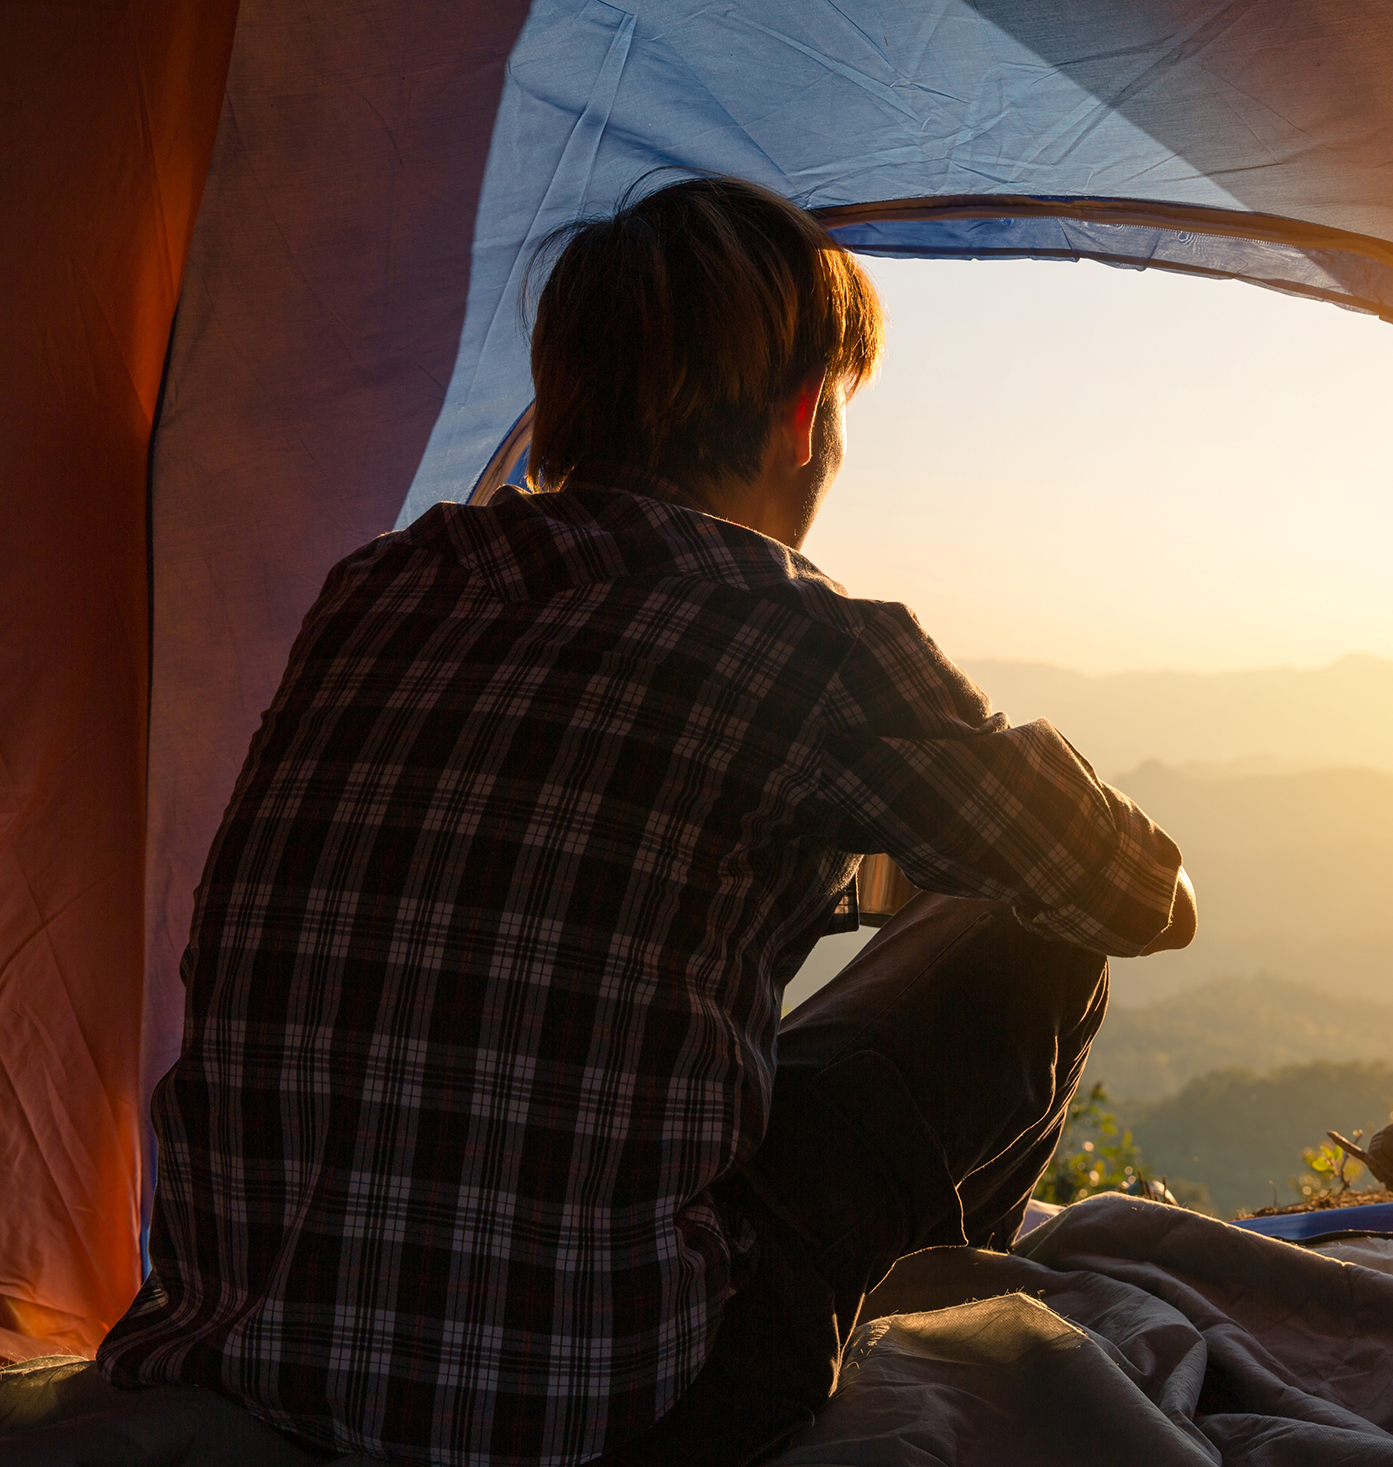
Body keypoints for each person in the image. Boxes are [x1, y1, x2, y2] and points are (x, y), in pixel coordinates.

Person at [95, 175, 1197, 1467]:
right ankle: (880, 1331)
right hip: (599, 1413)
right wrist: (972, 756)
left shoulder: (377, 586)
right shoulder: (800, 636)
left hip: (250, 1349)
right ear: (804, 417)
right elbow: (1138, 897)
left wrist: (832, 866)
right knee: (1035, 937)